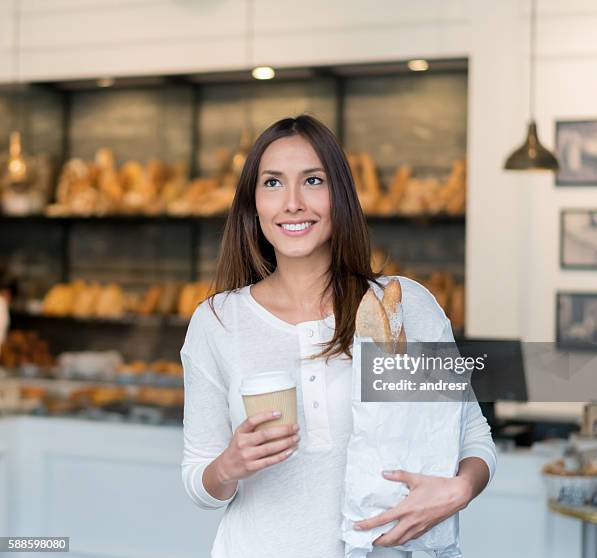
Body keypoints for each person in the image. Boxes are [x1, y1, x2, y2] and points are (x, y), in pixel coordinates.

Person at [180, 114, 496, 557]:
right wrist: (229, 465)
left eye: (312, 180)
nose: (292, 202)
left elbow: (473, 437)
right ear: (253, 206)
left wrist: (461, 487)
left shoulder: (403, 307)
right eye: (272, 184)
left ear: (340, 196)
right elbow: (200, 482)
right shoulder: (218, 321)